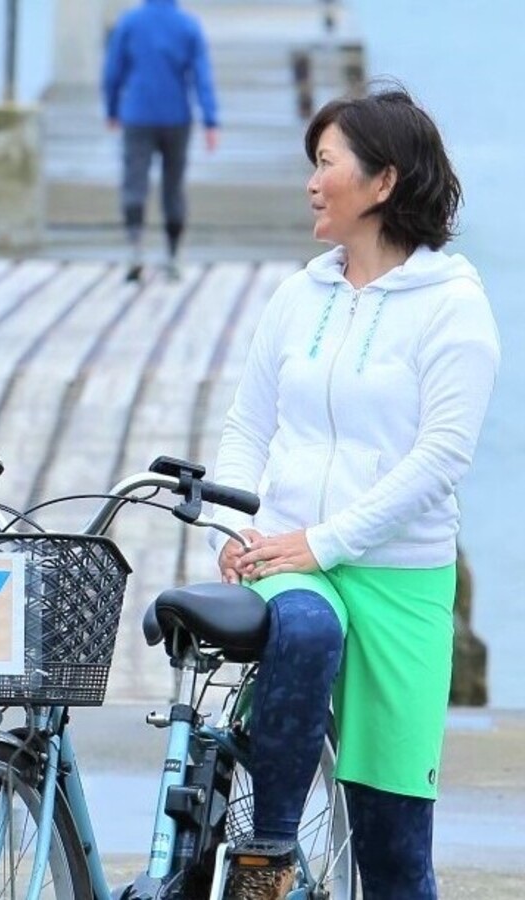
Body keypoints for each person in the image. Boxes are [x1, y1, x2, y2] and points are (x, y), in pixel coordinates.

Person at [209, 87, 499, 899]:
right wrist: (233, 532)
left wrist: (327, 539)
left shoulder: (455, 310)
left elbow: (441, 459)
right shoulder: (297, 296)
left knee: (396, 856)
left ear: (382, 183)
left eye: (326, 164)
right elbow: (246, 428)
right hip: (294, 558)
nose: (310, 182)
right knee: (299, 628)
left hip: (400, 580)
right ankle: (265, 859)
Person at [101, 0, 219, 282]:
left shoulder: (130, 22)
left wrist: (112, 108)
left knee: (134, 182)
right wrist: (210, 120)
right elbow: (201, 76)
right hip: (176, 115)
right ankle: (173, 254)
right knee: (173, 185)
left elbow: (112, 71)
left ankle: (135, 248)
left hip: (137, 114)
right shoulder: (188, 24)